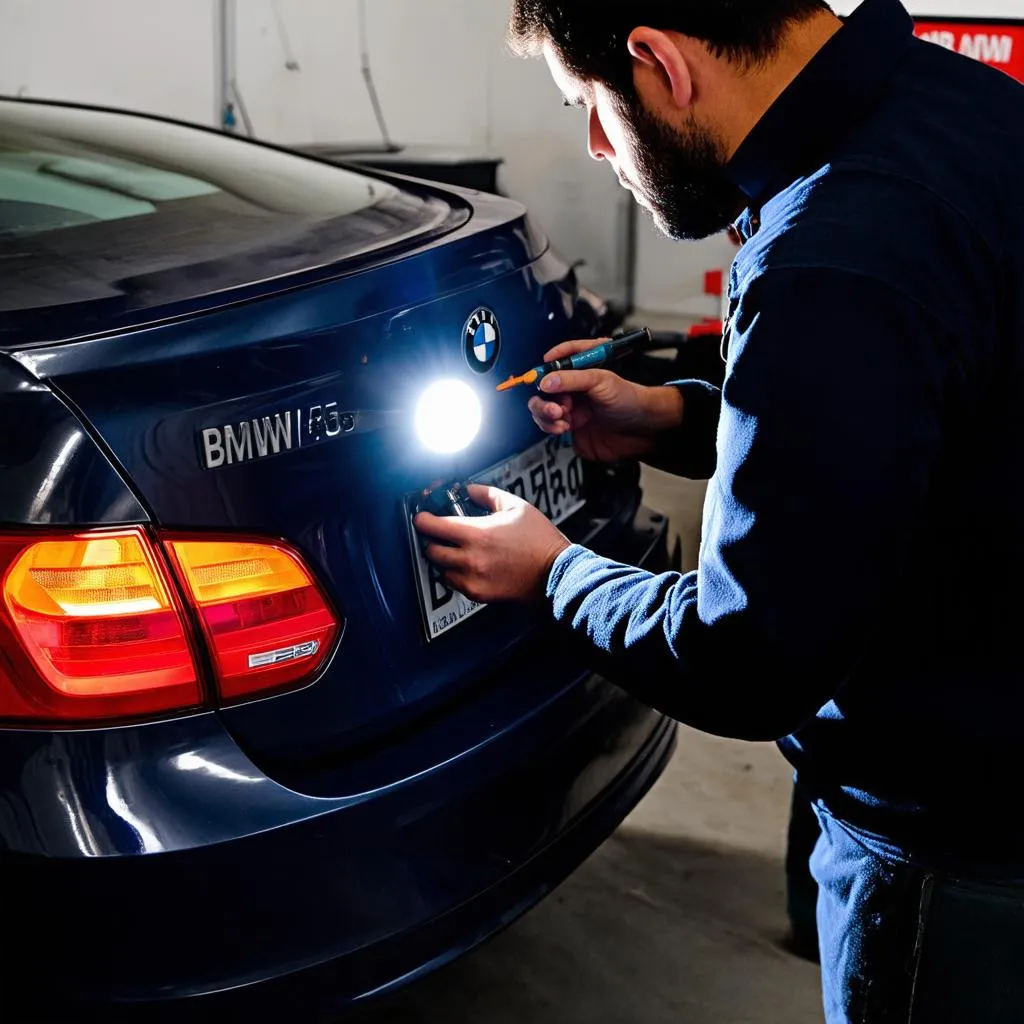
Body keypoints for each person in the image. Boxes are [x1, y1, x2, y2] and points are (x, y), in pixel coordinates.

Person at [414, 0, 1024, 1019]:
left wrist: (553, 570)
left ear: (657, 59)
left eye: (592, 106)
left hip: (955, 865)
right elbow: (914, 414)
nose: (598, 145)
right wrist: (678, 416)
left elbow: (751, 656)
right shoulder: (966, 113)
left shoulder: (832, 245)